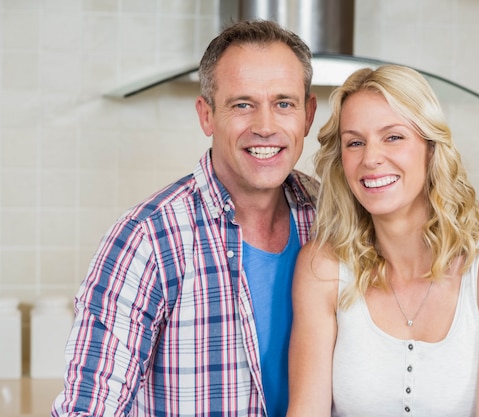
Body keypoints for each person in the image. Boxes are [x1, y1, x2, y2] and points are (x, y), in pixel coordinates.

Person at [52, 19, 318, 417]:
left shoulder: (332, 217)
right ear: (207, 115)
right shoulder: (147, 240)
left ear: (308, 115)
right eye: (242, 104)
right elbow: (88, 409)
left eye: (284, 103)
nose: (265, 126)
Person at [286, 65, 479, 417]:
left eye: (393, 137)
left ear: (431, 149)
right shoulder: (323, 268)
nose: (371, 158)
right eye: (355, 142)